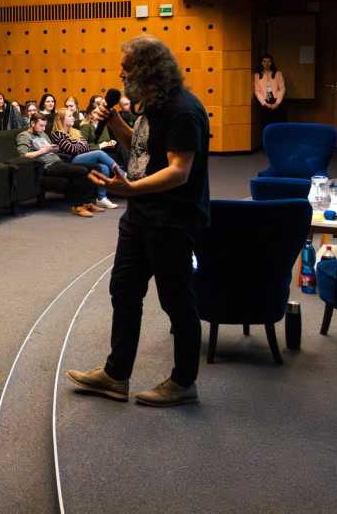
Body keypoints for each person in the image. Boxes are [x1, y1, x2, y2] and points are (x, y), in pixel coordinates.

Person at [66, 35, 210, 408]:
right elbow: (141, 148)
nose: (120, 74)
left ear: (148, 70)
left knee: (177, 301)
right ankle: (116, 375)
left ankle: (183, 381)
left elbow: (179, 171)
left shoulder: (183, 110)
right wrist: (114, 120)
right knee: (124, 292)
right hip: (142, 216)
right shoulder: (152, 106)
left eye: (127, 69)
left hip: (172, 220)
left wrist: (129, 189)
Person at [16, 113, 98, 218]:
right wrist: (43, 151)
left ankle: (89, 202)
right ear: (32, 123)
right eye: (41, 125)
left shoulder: (43, 134)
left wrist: (55, 149)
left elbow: (51, 148)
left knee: (94, 168)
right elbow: (24, 155)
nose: (43, 129)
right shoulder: (24, 136)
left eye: (45, 126)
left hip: (58, 161)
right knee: (81, 171)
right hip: (46, 165)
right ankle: (78, 206)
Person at [48, 108, 119, 210]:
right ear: (61, 119)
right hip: (69, 161)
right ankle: (121, 172)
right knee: (99, 153)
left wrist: (78, 145)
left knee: (103, 167)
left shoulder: (76, 131)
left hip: (79, 157)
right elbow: (71, 149)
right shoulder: (57, 134)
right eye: (70, 116)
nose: (73, 118)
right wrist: (79, 145)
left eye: (72, 115)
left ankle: (101, 198)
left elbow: (86, 147)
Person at [254, 53, 286, 130]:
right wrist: (265, 104)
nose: (266, 63)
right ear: (261, 63)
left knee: (277, 126)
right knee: (265, 126)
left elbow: (282, 89)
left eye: (269, 61)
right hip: (264, 103)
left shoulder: (278, 74)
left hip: (276, 102)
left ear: (271, 63)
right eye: (264, 61)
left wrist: (277, 103)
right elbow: (257, 91)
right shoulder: (257, 75)